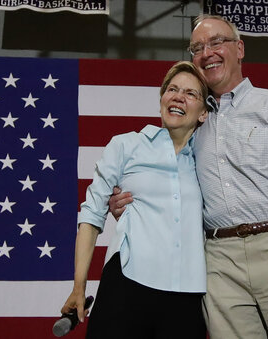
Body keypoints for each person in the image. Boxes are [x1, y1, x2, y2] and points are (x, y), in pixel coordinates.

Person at [110, 14, 268, 339]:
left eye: (216, 42)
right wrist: (127, 202)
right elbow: (165, 187)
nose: (206, 52)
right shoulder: (189, 120)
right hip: (219, 261)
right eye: (197, 47)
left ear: (239, 48)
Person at [60, 61, 209, 339]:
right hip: (128, 282)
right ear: (162, 99)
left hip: (187, 294)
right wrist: (79, 285)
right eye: (172, 89)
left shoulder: (209, 160)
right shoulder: (126, 145)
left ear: (203, 113)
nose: (178, 96)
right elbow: (92, 215)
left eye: (190, 93)